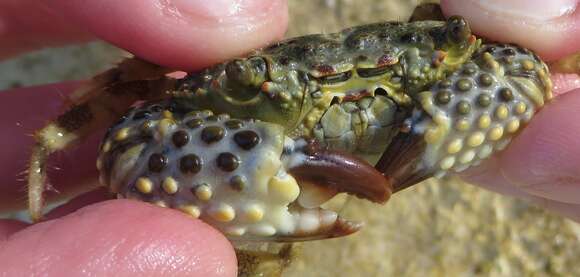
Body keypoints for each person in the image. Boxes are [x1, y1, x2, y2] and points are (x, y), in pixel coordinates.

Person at [0, 0, 578, 275]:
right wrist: (52, 140)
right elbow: (130, 136)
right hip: (249, 164)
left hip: (446, 92)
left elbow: (522, 64)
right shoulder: (212, 98)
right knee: (249, 261)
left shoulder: (466, 53)